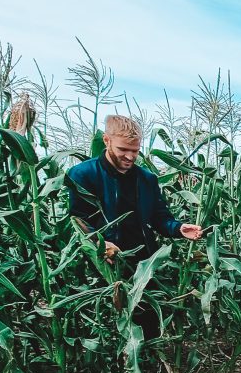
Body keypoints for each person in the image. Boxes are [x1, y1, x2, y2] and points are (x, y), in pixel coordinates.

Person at [66, 115, 202, 338]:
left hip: (142, 264)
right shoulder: (83, 175)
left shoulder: (146, 179)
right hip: (102, 265)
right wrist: (98, 243)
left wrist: (177, 228)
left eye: (135, 151)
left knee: (146, 324)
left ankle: (147, 368)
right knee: (108, 326)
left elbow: (160, 217)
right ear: (106, 140)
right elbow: (77, 220)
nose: (130, 156)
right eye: (123, 149)